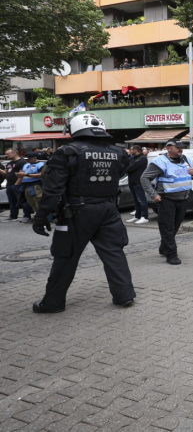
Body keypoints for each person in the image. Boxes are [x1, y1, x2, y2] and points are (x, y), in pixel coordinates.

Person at [30, 113, 135, 313]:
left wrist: (42, 216)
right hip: (109, 210)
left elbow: (53, 189)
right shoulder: (119, 152)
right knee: (114, 253)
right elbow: (120, 174)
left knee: (66, 256)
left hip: (76, 212)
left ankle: (52, 303)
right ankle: (124, 295)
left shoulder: (67, 152)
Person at [140, 140, 193, 265]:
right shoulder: (160, 162)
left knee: (175, 227)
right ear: (168, 148)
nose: (180, 149)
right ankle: (171, 255)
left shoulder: (186, 159)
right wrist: (153, 195)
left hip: (183, 199)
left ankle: (164, 247)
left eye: (182, 147)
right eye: (177, 147)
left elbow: (189, 174)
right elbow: (144, 178)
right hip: (167, 200)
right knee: (168, 228)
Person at [1, 149, 30, 223]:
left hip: (18, 185)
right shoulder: (9, 163)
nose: (6, 155)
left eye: (8, 154)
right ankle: (13, 216)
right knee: (12, 201)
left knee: (22, 201)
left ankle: (27, 216)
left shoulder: (21, 162)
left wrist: (16, 184)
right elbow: (5, 173)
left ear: (14, 153)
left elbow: (21, 174)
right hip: (9, 184)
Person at [125, 145, 149, 224]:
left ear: (135, 150)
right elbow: (126, 167)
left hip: (138, 182)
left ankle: (144, 216)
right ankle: (137, 216)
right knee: (135, 200)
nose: (130, 151)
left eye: (131, 149)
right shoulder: (133, 158)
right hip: (131, 181)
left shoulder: (142, 158)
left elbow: (129, 168)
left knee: (141, 200)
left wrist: (127, 168)